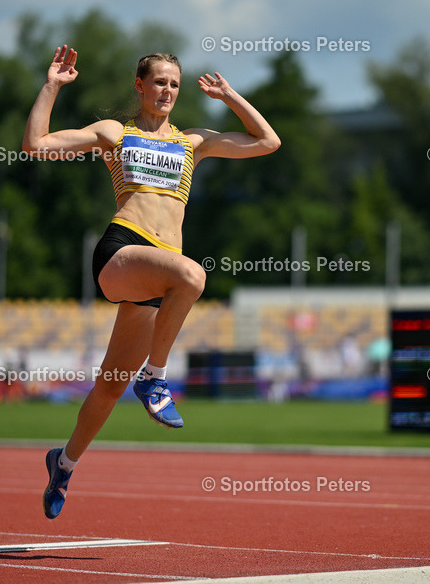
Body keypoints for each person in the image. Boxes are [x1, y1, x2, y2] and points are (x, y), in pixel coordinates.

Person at [23, 45, 280, 519]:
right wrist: (52, 86)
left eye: (175, 84)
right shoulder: (115, 133)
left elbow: (268, 142)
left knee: (108, 386)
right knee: (192, 274)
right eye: (159, 82)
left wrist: (229, 96)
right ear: (139, 86)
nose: (167, 91)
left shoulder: (193, 142)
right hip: (122, 252)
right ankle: (156, 380)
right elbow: (35, 145)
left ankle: (63, 462)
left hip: (158, 281)